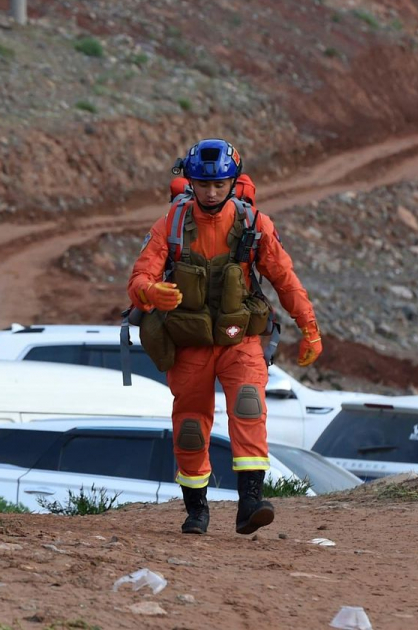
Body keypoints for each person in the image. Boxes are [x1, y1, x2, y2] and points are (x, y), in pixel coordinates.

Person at [128, 139, 321, 535]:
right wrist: (150, 292)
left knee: (249, 407)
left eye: (220, 184)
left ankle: (250, 503)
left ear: (234, 183)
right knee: (190, 428)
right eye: (203, 184)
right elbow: (139, 277)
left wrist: (309, 328)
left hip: (240, 339)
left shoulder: (254, 225)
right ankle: (196, 510)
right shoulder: (172, 224)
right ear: (191, 182)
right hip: (190, 342)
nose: (211, 192)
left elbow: (285, 279)